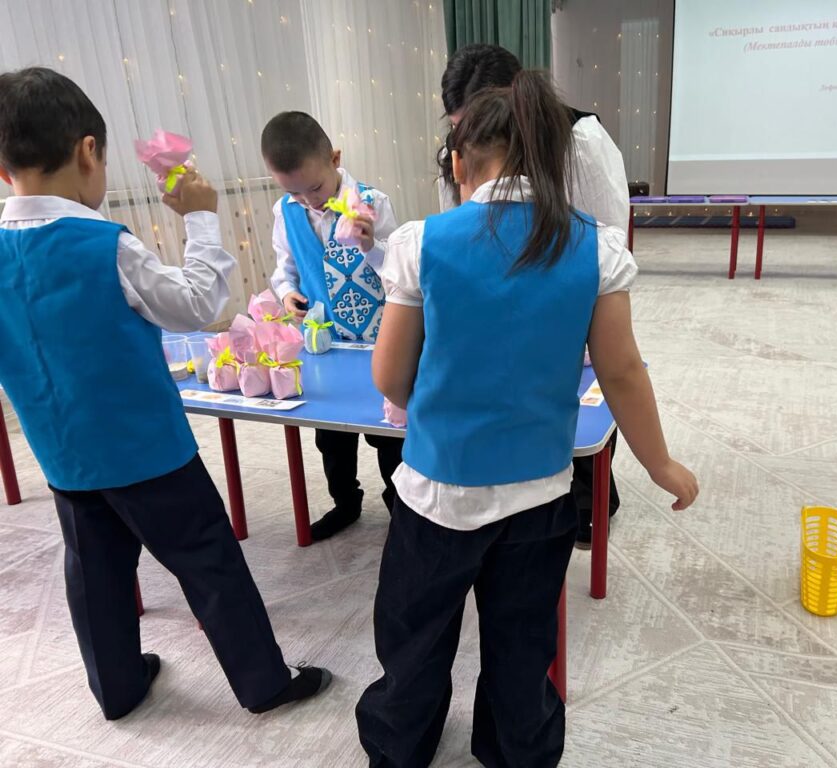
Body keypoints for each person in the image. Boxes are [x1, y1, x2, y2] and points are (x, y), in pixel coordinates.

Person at [357, 70, 698, 767]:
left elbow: (390, 377)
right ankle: (518, 752)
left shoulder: (422, 243)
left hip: (436, 496)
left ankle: (401, 747)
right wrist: (660, 463)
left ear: (458, 162)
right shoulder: (594, 247)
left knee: (413, 638)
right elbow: (622, 371)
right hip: (541, 496)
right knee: (522, 647)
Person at [0, 67, 330, 720]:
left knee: (93, 568)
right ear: (88, 151)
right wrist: (202, 219)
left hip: (63, 455)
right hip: (148, 451)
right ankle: (264, 683)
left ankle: (117, 688)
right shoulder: (103, 244)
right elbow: (198, 305)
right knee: (209, 561)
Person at [437, 43, 630, 548]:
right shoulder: (459, 150)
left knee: (580, 405)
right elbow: (459, 224)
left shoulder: (580, 139)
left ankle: (591, 500)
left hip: (563, 296)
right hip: (497, 300)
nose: (471, 139)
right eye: (459, 127)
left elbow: (607, 232)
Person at [261, 111, 404, 540]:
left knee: (389, 434)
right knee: (331, 436)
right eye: (293, 191)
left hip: (379, 341)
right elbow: (284, 268)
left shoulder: (373, 202)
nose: (309, 200)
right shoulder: (286, 211)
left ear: (335, 159)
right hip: (324, 344)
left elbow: (401, 270)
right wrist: (287, 294)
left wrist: (371, 244)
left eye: (315, 188)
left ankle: (400, 507)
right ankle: (345, 501)